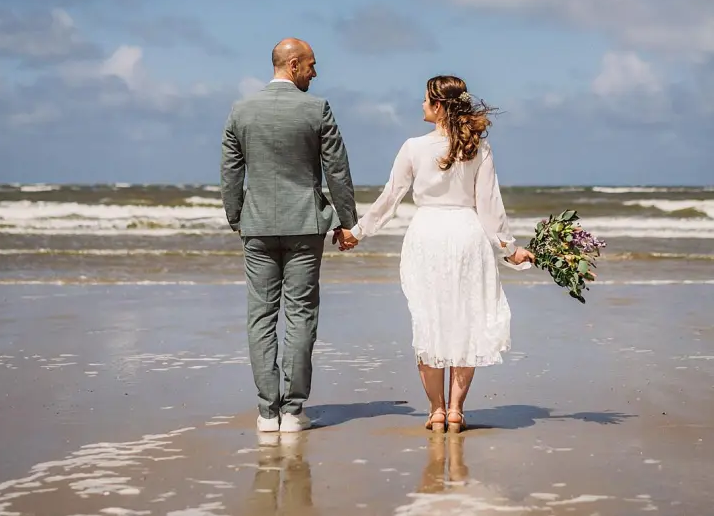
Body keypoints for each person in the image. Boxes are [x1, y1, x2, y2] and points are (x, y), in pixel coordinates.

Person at [337, 75, 534, 433]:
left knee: (429, 322)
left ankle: (437, 411)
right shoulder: (479, 149)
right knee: (466, 322)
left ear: (438, 105)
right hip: (466, 235)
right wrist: (510, 250)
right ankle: (457, 410)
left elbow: (390, 199)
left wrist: (357, 232)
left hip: (427, 237)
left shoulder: (413, 147)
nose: (421, 105)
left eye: (425, 100)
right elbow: (490, 208)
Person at [220, 38, 358, 433]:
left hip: (257, 225)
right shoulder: (317, 110)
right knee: (300, 314)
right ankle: (293, 412)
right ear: (293, 64)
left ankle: (267, 413)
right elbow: (338, 170)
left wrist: (237, 218)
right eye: (311, 65)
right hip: (305, 226)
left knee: (260, 316)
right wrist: (348, 221)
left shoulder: (241, 111)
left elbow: (231, 172)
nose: (315, 73)